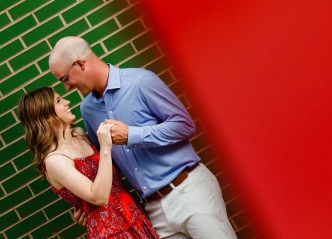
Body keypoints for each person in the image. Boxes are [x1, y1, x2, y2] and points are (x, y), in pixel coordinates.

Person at [48, 36, 237, 239]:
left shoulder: (140, 82)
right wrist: (87, 203)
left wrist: (132, 134)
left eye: (65, 79)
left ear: (80, 64)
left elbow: (185, 126)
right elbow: (107, 166)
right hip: (153, 211)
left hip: (189, 192)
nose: (66, 88)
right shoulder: (88, 111)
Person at [18, 87, 159, 238]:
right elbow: (99, 197)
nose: (67, 102)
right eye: (58, 101)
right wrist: (105, 147)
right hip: (111, 232)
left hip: (133, 215)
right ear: (46, 116)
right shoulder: (55, 160)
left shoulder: (79, 134)